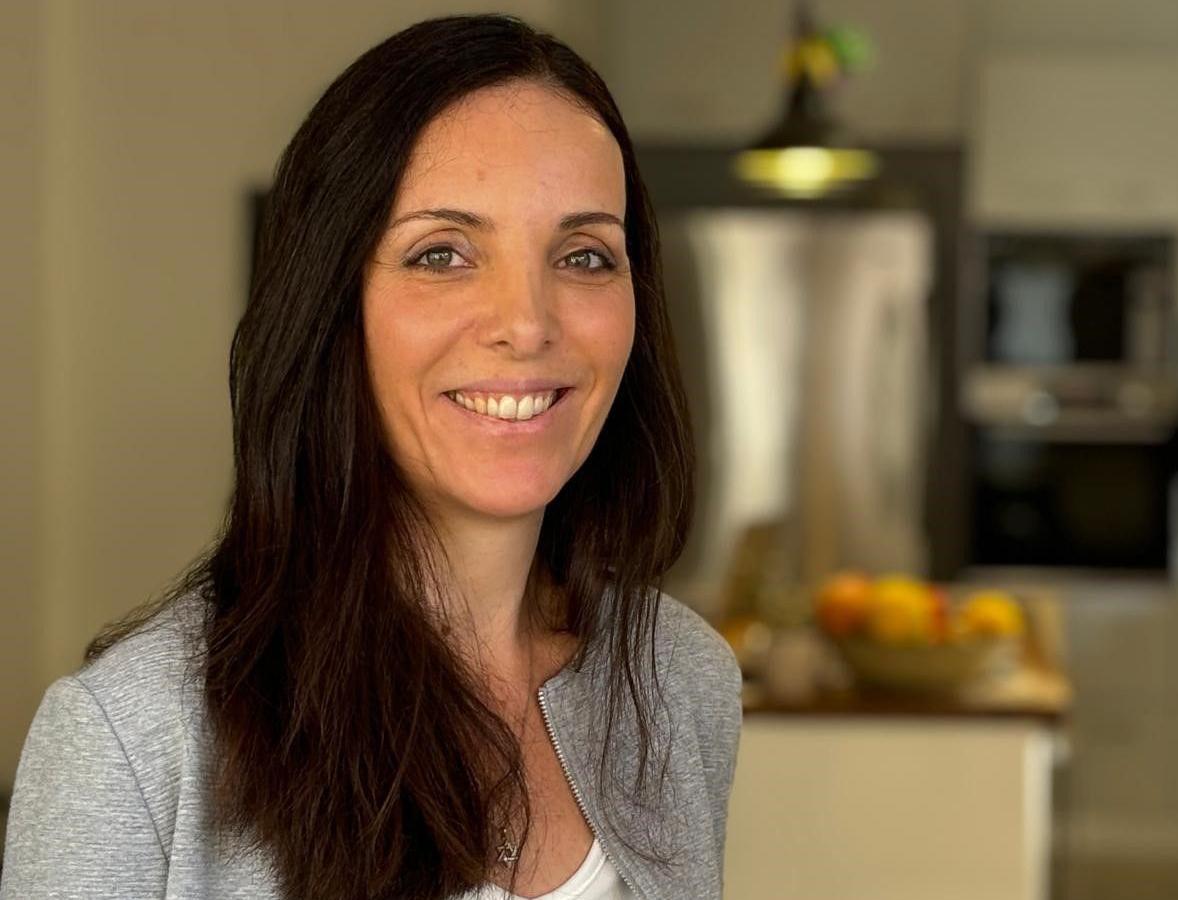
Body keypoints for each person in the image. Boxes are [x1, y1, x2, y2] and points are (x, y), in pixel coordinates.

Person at [0, 14, 740, 900]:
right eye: (442, 253)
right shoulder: (129, 739)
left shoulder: (677, 679)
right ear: (330, 306)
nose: (528, 323)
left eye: (585, 255)